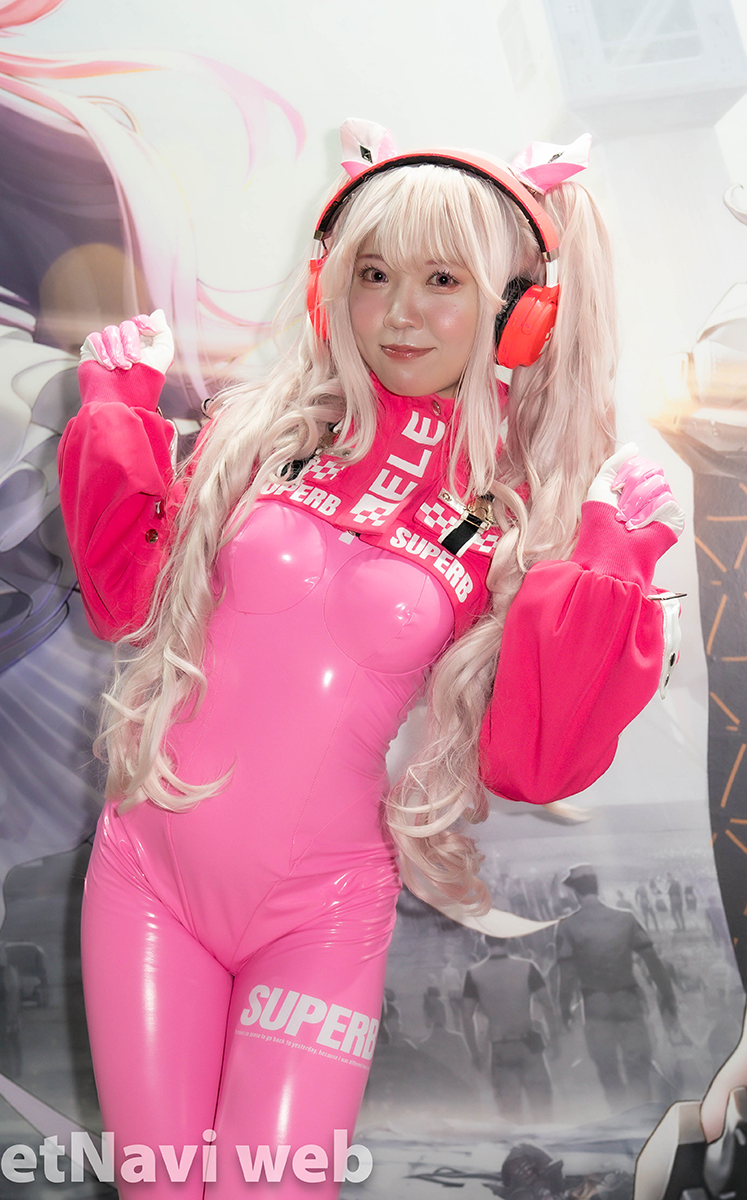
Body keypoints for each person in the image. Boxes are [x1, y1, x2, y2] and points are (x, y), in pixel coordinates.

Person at [58, 119, 683, 1197]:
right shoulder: (262, 433)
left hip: (321, 913)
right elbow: (127, 599)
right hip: (147, 874)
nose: (399, 312)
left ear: (518, 311)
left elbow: (531, 762)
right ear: (330, 286)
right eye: (374, 273)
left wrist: (608, 561)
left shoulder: (518, 511)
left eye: (442, 280)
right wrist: (118, 407)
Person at [557, 864, 678, 1111]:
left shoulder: (568, 925)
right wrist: (668, 996)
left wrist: (564, 1008)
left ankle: (620, 1114)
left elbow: (567, 975)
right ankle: (642, 1116)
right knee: (638, 1066)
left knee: (607, 1067)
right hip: (628, 999)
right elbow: (653, 963)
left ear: (576, 892)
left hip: (595, 1004)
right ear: (597, 887)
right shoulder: (625, 919)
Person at [462, 935, 559, 1122]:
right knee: (543, 1115)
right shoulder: (527, 967)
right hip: (528, 1044)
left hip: (501, 1048)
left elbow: (466, 1015)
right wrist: (554, 1038)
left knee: (511, 1119)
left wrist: (475, 1052)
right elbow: (547, 1003)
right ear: (507, 940)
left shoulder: (474, 973)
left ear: (485, 941)